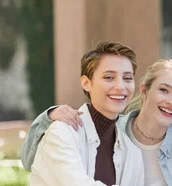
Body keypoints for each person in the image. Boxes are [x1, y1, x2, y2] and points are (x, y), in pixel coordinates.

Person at [28, 42, 144, 185]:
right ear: (86, 83)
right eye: (109, 77)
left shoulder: (132, 151)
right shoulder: (62, 134)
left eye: (127, 78)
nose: (120, 87)